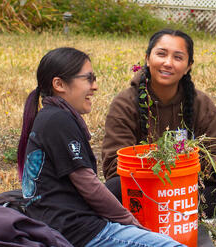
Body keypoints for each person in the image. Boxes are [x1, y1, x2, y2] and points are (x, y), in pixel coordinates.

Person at [17, 47, 184, 247]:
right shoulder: (58, 119)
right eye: (88, 78)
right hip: (79, 232)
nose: (95, 86)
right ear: (59, 84)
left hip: (61, 227)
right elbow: (89, 186)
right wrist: (131, 222)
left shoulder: (50, 116)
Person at [102, 29, 216, 220]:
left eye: (178, 57)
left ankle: (171, 218)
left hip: (187, 192)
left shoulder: (201, 103)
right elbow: (113, 166)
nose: (168, 63)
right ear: (148, 58)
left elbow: (214, 150)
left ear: (188, 66)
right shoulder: (124, 103)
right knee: (113, 190)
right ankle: (184, 218)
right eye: (161, 54)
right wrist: (160, 168)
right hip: (145, 191)